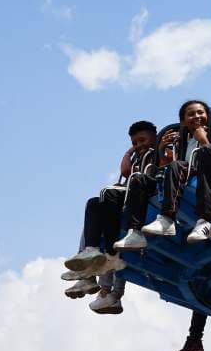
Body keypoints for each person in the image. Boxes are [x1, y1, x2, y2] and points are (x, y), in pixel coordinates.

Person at [62, 120, 159, 313]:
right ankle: (87, 269)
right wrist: (129, 153)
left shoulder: (158, 152)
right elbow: (125, 171)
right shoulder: (139, 157)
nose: (139, 145)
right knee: (93, 205)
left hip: (145, 198)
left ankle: (108, 290)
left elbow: (127, 173)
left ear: (154, 138)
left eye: (142, 140)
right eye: (135, 143)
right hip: (130, 197)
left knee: (107, 198)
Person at [117, 100, 211, 247]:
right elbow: (165, 168)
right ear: (183, 122)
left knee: (176, 165)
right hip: (184, 176)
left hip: (206, 177)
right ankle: (130, 234)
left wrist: (202, 138)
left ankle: (168, 218)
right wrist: (161, 151)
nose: (196, 116)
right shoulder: (183, 143)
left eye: (200, 113)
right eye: (191, 114)